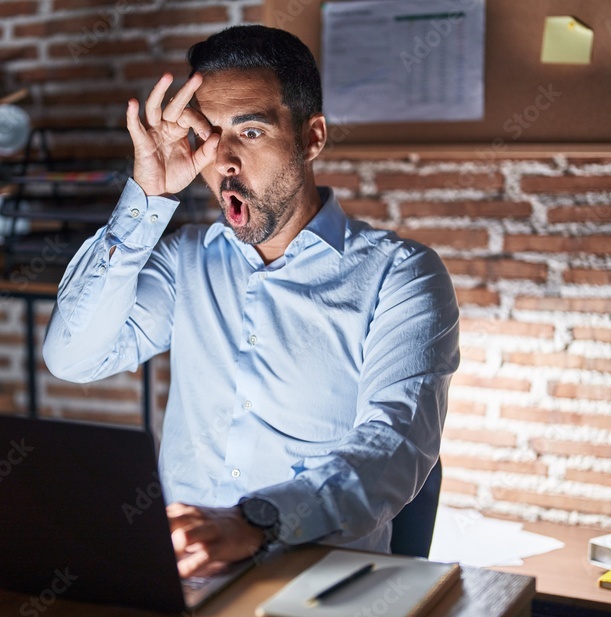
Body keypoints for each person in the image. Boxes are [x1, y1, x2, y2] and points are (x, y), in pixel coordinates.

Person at [43, 25, 459, 578]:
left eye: (253, 132)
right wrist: (147, 199)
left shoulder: (401, 276)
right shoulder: (186, 259)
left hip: (316, 582)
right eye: (210, 138)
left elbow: (395, 446)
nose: (226, 163)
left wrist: (257, 521)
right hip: (183, 574)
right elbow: (73, 356)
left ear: (311, 139)